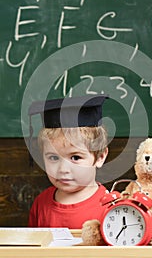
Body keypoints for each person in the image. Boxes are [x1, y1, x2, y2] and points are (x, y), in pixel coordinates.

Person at [28, 94, 110, 228]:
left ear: (100, 157)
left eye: (76, 157)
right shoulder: (40, 204)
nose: (63, 169)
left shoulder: (110, 208)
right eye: (53, 158)